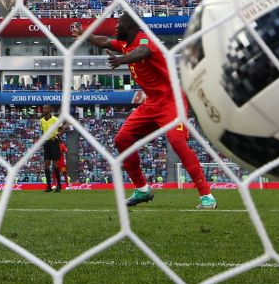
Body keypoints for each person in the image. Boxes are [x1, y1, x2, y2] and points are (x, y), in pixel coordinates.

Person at [73, 14, 215, 209]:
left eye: (119, 25)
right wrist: (84, 35)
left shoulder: (144, 40)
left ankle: (206, 196)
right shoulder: (124, 43)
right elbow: (104, 41)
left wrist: (122, 60)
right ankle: (142, 189)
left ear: (130, 27)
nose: (116, 29)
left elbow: (142, 52)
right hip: (152, 103)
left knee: (177, 141)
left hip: (171, 100)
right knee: (121, 139)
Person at [38, 104, 65, 192]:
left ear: (50, 110)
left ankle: (59, 186)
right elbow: (43, 131)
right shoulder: (41, 120)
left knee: (55, 165)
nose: (43, 110)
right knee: (46, 164)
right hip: (47, 143)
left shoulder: (55, 119)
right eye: (43, 108)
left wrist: (56, 137)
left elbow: (62, 129)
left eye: (45, 108)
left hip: (54, 142)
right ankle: (49, 186)